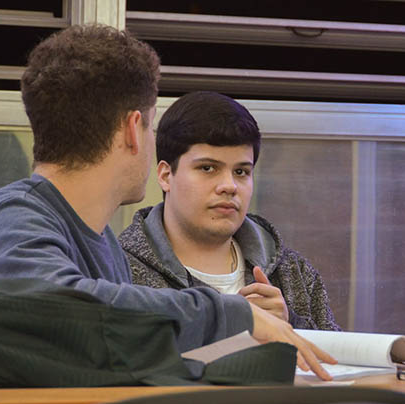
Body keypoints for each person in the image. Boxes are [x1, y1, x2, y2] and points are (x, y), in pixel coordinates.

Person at [0, 24, 335, 380]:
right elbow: (57, 315)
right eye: (151, 127)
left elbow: (118, 364)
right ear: (133, 129)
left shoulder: (102, 246)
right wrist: (230, 315)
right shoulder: (11, 218)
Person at [118, 91, 340, 331]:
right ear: (165, 176)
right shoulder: (119, 272)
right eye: (208, 168)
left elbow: (340, 362)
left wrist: (291, 326)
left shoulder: (294, 272)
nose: (229, 186)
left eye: (241, 172)